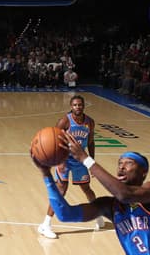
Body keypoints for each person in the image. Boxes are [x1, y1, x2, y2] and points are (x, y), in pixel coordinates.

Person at [38, 94, 103, 238]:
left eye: (80, 105)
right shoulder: (64, 121)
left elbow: (91, 142)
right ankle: (45, 224)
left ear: (84, 106)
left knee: (86, 188)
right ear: (71, 106)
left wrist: (91, 160)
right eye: (75, 105)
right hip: (65, 160)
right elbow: (54, 139)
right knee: (61, 190)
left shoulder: (90, 122)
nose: (77, 107)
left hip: (80, 159)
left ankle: (98, 215)